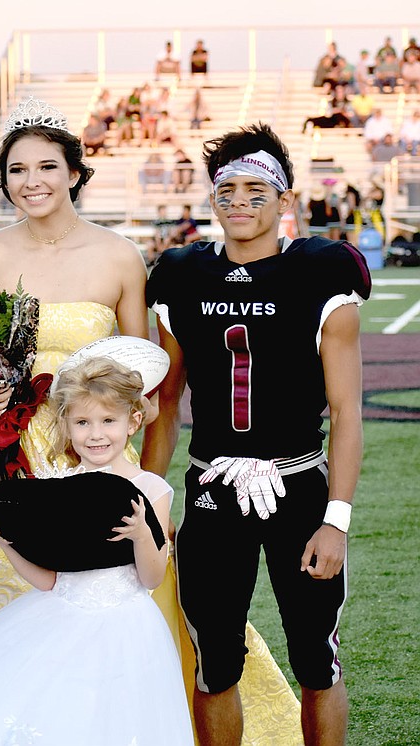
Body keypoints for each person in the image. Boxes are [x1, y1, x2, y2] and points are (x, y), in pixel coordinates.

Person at [0, 99, 304, 745]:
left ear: (74, 173)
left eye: (47, 167)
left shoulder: (120, 256)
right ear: (2, 179)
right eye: (17, 170)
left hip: (89, 451)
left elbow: (143, 378)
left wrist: (142, 481)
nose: (32, 181)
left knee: (109, 596)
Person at [145, 122, 372, 745]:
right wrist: (150, 494)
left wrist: (337, 520)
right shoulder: (182, 273)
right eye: (227, 190)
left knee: (314, 661)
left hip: (297, 483)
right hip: (214, 488)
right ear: (211, 198)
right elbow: (167, 401)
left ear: (285, 200)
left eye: (256, 190)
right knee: (215, 663)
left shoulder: (322, 270)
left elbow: (347, 412)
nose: (240, 202)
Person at [0, 356, 194, 745]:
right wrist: (6, 538)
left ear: (133, 423)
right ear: (67, 425)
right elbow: (49, 580)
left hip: (125, 628)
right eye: (82, 423)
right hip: (57, 616)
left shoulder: (151, 489)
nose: (96, 434)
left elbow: (152, 578)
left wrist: (143, 534)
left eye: (108, 421)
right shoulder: (56, 484)